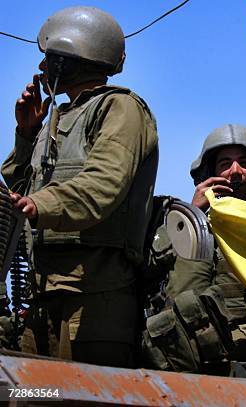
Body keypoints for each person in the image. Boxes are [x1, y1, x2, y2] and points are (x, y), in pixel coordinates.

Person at [1, 6, 159, 367]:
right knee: (32, 398)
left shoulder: (120, 108)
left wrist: (39, 205)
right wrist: (26, 135)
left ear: (70, 59)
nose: (42, 69)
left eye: (51, 60)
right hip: (41, 296)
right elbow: (23, 190)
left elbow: (104, 184)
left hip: (95, 299)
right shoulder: (53, 118)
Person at [142, 124, 246, 376]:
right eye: (225, 164)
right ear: (211, 173)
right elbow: (157, 264)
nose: (235, 172)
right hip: (200, 339)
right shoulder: (193, 219)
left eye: (243, 163)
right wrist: (192, 213)